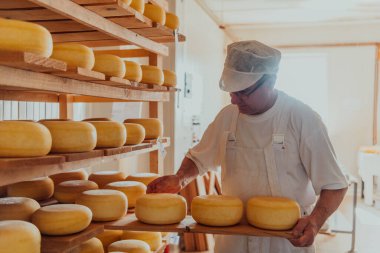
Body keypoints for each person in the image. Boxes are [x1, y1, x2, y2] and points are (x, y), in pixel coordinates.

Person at [147, 40, 348, 253]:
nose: (234, 100)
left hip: (285, 242)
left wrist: (315, 222)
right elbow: (199, 158)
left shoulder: (302, 118)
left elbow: (334, 184)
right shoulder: (227, 117)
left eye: (243, 92)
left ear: (270, 81)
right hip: (233, 240)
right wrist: (180, 178)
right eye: (231, 92)